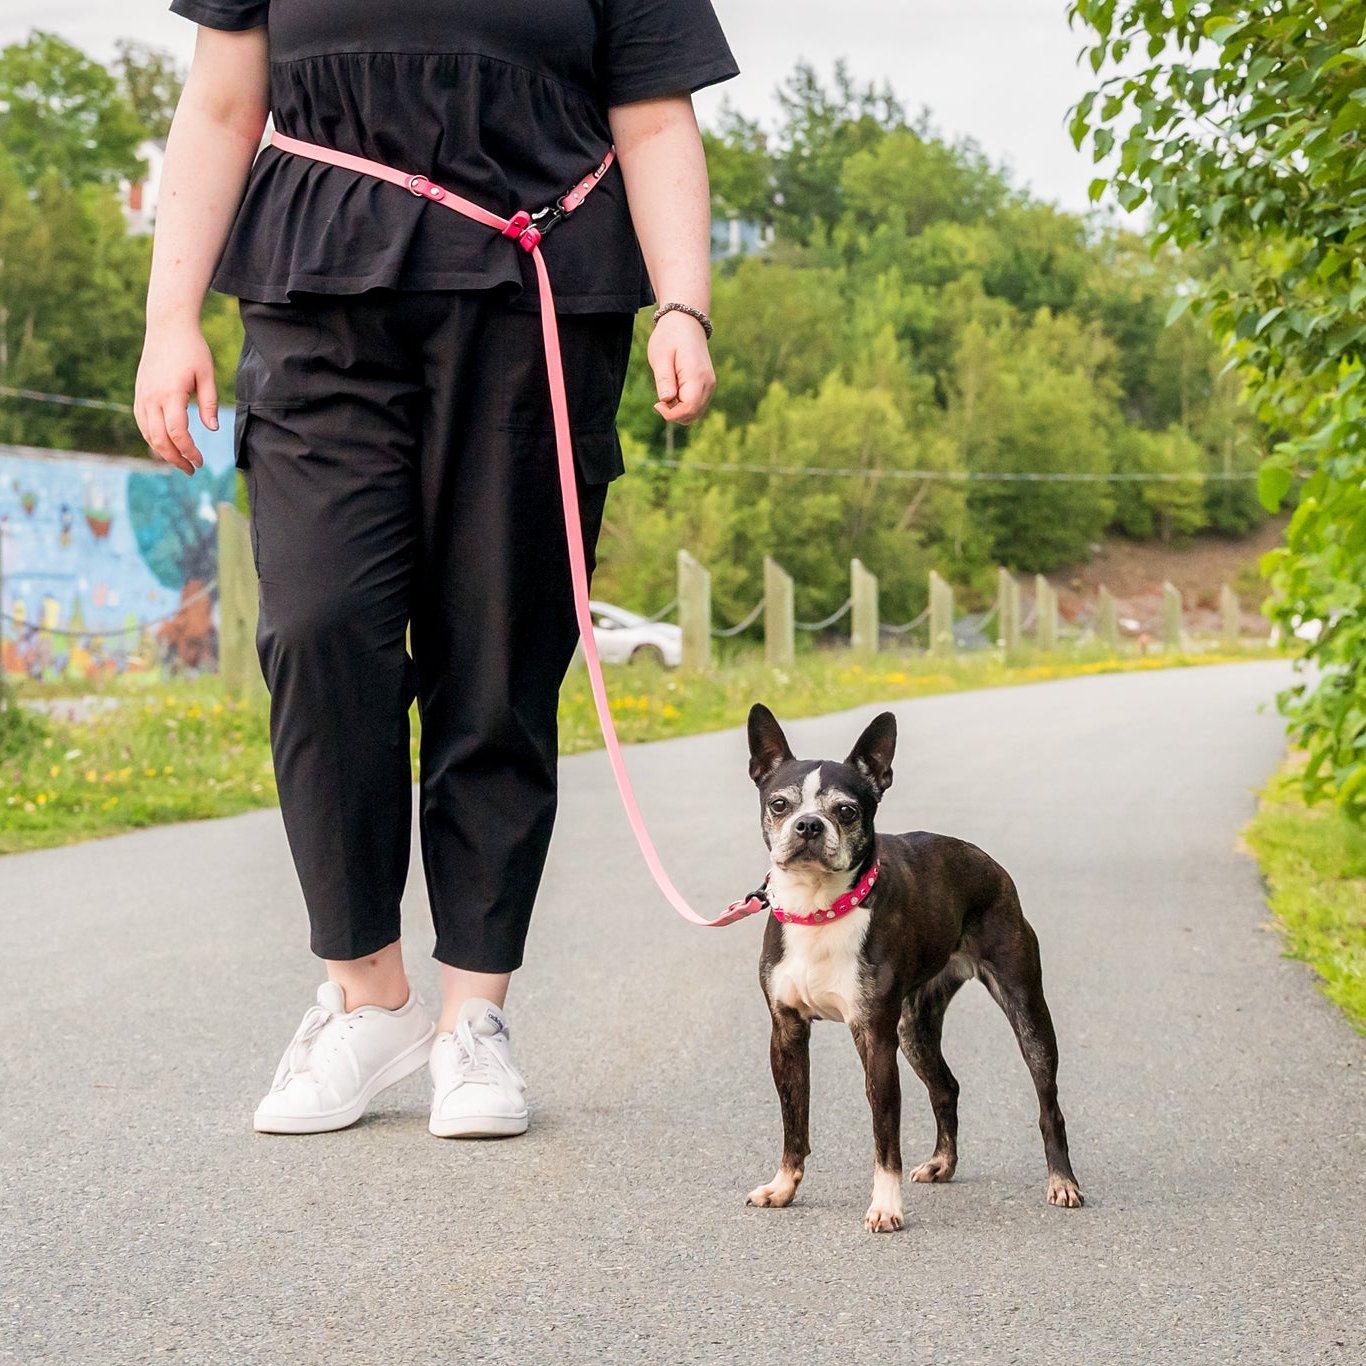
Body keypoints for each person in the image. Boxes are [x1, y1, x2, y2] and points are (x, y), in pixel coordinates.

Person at [135, 0, 738, 1138]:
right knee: (317, 628)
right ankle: (367, 997)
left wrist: (683, 306)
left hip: (534, 301)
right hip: (317, 293)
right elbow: (220, 102)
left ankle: (474, 1016)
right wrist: (172, 316)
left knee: (497, 653)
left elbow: (655, 122)